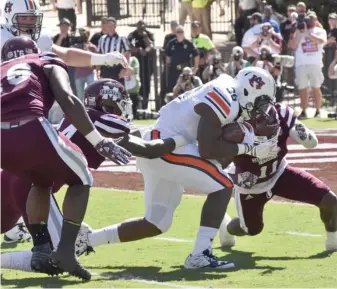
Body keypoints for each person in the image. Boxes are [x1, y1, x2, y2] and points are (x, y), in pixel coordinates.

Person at [72, 67, 277, 269]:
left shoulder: (228, 90)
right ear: (250, 90)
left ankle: (87, 240)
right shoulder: (227, 98)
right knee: (223, 185)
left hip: (165, 144)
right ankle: (200, 254)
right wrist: (248, 147)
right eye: (262, 101)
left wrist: (240, 144)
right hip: (167, 146)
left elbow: (216, 159)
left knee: (157, 221)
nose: (261, 108)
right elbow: (207, 150)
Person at [1, 78, 191, 272]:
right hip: (33, 187)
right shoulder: (104, 123)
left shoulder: (81, 116)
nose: (124, 109)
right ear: (108, 103)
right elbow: (149, 149)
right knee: (55, 257)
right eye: (121, 103)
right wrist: (184, 137)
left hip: (10, 177)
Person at [0, 36, 131, 279]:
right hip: (30, 127)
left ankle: (40, 246)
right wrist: (99, 141)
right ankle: (66, 253)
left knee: (41, 180)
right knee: (82, 176)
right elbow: (69, 99)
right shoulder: (44, 59)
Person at [219, 103, 337, 252]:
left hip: (280, 173)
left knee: (330, 201)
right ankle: (226, 227)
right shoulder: (234, 128)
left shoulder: (282, 114)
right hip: (252, 186)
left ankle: (333, 241)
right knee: (251, 229)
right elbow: (218, 164)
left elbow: (311, 143)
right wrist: (236, 175)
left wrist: (304, 134)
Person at [1, 0, 127, 72]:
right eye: (24, 18)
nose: (29, 22)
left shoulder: (40, 39)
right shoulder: (2, 36)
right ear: (8, 17)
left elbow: (66, 55)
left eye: (32, 18)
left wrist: (103, 59)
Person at [289, 12, 327, 119]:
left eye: (311, 19)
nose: (309, 21)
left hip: (315, 63)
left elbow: (321, 41)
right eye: (307, 19)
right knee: (303, 88)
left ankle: (318, 110)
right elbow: (292, 46)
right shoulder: (299, 31)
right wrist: (298, 32)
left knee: (316, 87)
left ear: (315, 20)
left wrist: (307, 34)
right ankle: (304, 110)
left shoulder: (320, 31)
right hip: (301, 63)